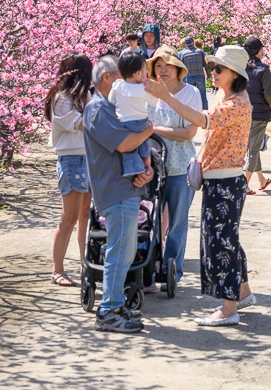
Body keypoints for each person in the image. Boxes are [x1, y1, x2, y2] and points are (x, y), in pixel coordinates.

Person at [145, 45, 256, 327]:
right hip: (221, 179)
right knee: (227, 240)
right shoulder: (228, 96)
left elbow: (201, 120)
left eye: (219, 69)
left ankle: (229, 308)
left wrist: (166, 96)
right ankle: (242, 293)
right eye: (213, 67)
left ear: (236, 74)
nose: (213, 73)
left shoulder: (237, 103)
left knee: (221, 243)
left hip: (225, 181)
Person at [83, 55, 155, 333]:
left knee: (124, 251)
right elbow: (125, 144)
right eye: (121, 77)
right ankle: (108, 310)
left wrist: (146, 171)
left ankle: (114, 305)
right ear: (107, 78)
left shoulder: (111, 106)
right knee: (119, 251)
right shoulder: (97, 109)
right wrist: (149, 128)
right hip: (114, 189)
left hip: (125, 186)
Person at [146, 46, 200, 288]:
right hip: (150, 168)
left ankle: (171, 271)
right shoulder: (146, 94)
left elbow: (189, 132)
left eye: (167, 65)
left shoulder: (191, 93)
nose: (163, 70)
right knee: (149, 220)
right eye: (158, 66)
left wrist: (154, 130)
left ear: (179, 68)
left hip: (180, 167)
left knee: (177, 221)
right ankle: (148, 267)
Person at [43, 53, 93, 287]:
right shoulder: (61, 98)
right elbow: (84, 124)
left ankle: (86, 263)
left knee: (85, 216)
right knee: (69, 218)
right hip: (71, 161)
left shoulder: (85, 96)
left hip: (88, 159)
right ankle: (57, 270)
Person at [108, 52, 158, 177]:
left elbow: (110, 101)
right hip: (141, 122)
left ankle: (131, 168)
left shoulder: (117, 85)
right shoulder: (143, 88)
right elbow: (154, 101)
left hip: (123, 123)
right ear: (137, 73)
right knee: (143, 142)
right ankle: (146, 164)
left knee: (130, 149)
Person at [243, 37, 271, 194]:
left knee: (253, 145)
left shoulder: (241, 68)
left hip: (244, 113)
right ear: (258, 50)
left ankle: (261, 179)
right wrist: (270, 105)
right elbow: (268, 93)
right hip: (259, 114)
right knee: (253, 149)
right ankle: (244, 184)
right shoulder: (263, 69)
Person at [179, 36, 210, 110]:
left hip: (189, 76)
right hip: (200, 75)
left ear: (186, 44)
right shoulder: (200, 52)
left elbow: (182, 66)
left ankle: (192, 111)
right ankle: (205, 111)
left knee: (191, 96)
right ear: (193, 43)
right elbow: (205, 64)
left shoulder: (184, 54)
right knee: (203, 95)